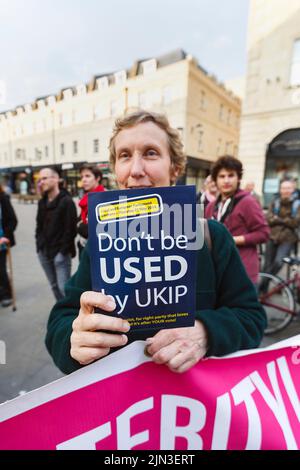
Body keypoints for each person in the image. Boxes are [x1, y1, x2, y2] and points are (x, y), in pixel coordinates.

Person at [45, 111, 266, 375]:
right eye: (125, 156)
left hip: (195, 406)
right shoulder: (100, 241)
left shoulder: (212, 236)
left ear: (174, 167)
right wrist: (73, 340)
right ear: (116, 170)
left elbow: (252, 318)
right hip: (123, 407)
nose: (136, 170)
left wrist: (205, 331)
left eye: (150, 153)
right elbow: (61, 319)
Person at [205, 155, 270, 285]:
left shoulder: (248, 202)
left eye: (231, 175)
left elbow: (264, 233)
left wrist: (233, 239)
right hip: (219, 270)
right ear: (215, 180)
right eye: (222, 176)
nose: (226, 180)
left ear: (238, 178)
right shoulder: (211, 206)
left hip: (242, 270)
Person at [36, 167, 77, 301]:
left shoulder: (67, 201)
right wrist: (39, 247)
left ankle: (72, 317)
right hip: (44, 252)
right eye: (40, 179)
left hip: (61, 254)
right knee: (54, 286)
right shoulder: (42, 202)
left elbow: (70, 230)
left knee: (63, 288)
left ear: (55, 179)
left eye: (44, 178)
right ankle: (61, 313)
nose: (41, 182)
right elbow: (39, 226)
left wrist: (63, 252)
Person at [262, 178, 300, 282]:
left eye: (288, 188)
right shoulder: (275, 201)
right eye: (283, 188)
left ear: (293, 189)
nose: (286, 190)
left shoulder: (297, 204)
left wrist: (277, 219)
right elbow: (268, 219)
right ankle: (262, 293)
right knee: (267, 265)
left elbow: (295, 222)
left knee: (279, 262)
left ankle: (264, 283)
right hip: (272, 236)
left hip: (288, 238)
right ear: (280, 189)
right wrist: (286, 220)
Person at [77, 164, 105, 257]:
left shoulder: (105, 197)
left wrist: (80, 227)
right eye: (82, 177)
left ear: (97, 178)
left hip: (98, 252)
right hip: (84, 247)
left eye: (87, 176)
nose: (84, 180)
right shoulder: (86, 198)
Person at [0, 185, 17, 307]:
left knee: (1, 269)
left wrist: (6, 235)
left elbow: (12, 220)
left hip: (1, 241)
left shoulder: (3, 199)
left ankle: (6, 293)